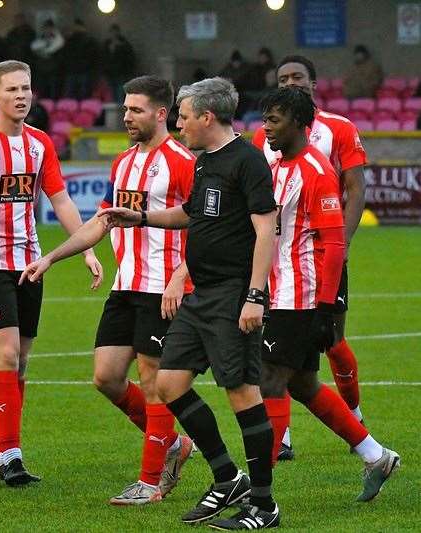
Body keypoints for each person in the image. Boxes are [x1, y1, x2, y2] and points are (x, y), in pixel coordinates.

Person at [99, 77, 280, 529]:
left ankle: (263, 504)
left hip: (234, 295)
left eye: (183, 116)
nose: (178, 124)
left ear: (207, 117)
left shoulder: (248, 161)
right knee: (169, 383)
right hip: (201, 296)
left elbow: (265, 230)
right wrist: (140, 216)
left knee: (242, 393)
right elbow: (192, 214)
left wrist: (255, 296)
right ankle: (226, 477)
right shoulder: (204, 162)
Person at [20, 76, 195, 505]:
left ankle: (150, 483)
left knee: (153, 382)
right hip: (126, 286)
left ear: (160, 113)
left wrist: (181, 276)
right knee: (106, 377)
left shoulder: (182, 161)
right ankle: (173, 444)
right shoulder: (123, 163)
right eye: (125, 107)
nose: (126, 115)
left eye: (135, 109)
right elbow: (102, 221)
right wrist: (52, 257)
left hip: (163, 289)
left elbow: (206, 225)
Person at [0, 60, 103, 486]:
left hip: (30, 261)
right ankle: (3, 456)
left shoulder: (41, 143)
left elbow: (61, 200)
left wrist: (85, 248)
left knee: (23, 360)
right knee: (7, 353)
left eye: (26, 88)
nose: (21, 95)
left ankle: (11, 452)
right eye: (12, 89)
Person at [258, 86, 400, 502]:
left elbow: (334, 242)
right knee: (302, 384)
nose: (265, 128)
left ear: (300, 125)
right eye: (265, 118)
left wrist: (324, 307)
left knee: (270, 379)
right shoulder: (280, 165)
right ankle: (375, 456)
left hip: (300, 295)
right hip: (279, 289)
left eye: (275, 120)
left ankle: (257, 491)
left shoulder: (316, 170)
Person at [251, 55, 368, 461]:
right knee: (292, 375)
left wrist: (341, 242)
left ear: (314, 83)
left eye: (298, 77)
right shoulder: (268, 140)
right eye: (284, 78)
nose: (291, 82)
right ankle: (368, 451)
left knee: (327, 344)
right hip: (278, 267)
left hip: (316, 265)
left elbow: (354, 187)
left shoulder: (336, 131)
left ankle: (355, 415)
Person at [61, 19, 99, 99]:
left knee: (78, 94)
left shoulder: (72, 41)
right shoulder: (72, 40)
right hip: (77, 71)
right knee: (77, 94)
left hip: (80, 71)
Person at [31, 20, 64, 99]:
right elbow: (33, 46)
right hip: (42, 69)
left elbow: (55, 47)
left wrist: (44, 49)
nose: (47, 30)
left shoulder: (58, 39)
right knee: (42, 89)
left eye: (49, 28)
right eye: (46, 28)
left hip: (54, 70)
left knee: (53, 90)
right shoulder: (41, 38)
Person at [102, 24, 136, 103]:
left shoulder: (124, 44)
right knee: (112, 92)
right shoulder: (107, 44)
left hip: (121, 72)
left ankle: (119, 110)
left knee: (119, 92)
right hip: (110, 73)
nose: (113, 34)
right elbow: (104, 58)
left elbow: (129, 58)